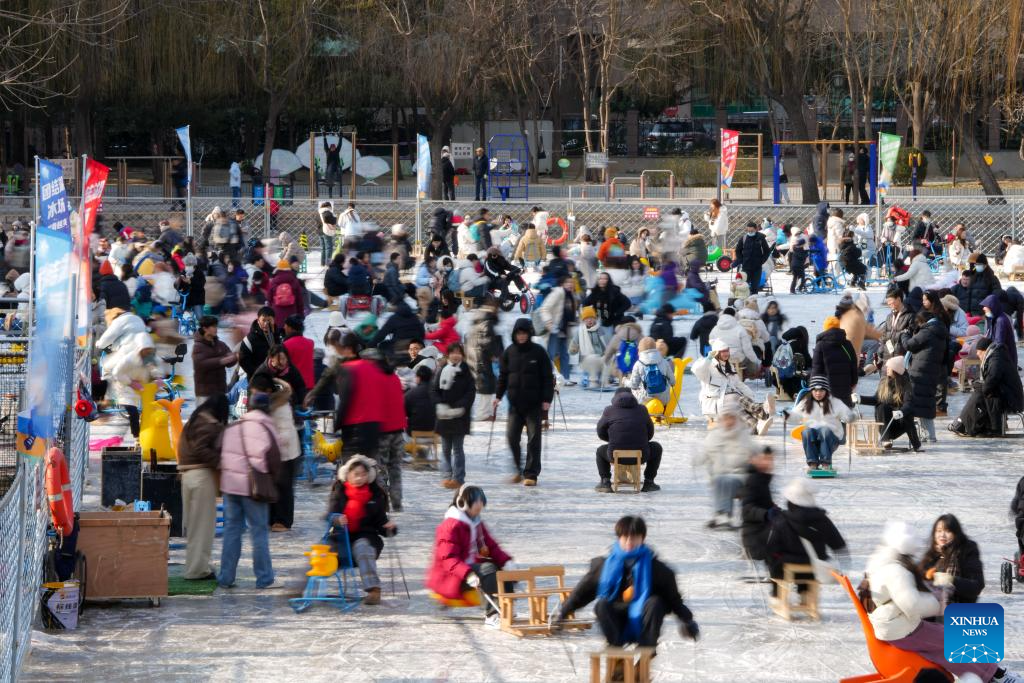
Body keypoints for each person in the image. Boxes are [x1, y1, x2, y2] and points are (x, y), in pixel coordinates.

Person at [865, 522, 1023, 683]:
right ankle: (994, 676)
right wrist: (938, 602)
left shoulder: (884, 562)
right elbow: (912, 605)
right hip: (901, 629)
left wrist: (930, 589)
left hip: (897, 624)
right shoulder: (895, 571)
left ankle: (994, 672)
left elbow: (904, 595)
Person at [555, 516, 700, 661]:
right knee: (602, 604)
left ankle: (646, 652)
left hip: (645, 619)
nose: (630, 541)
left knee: (656, 603)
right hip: (616, 619)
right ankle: (616, 652)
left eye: (634, 537)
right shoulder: (603, 566)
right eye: (625, 537)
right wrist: (563, 612)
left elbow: (673, 600)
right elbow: (582, 592)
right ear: (619, 538)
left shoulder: (657, 569)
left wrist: (687, 621)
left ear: (642, 538)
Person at [217, 391, 284, 589]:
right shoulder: (267, 427)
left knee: (231, 531)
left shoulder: (234, 426)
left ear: (249, 407)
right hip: (253, 488)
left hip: (230, 486)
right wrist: (271, 479)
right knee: (259, 533)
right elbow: (275, 460)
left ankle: (226, 578)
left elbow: (218, 450)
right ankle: (264, 578)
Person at [425, 485, 513, 627]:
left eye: (481, 501)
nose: (480, 505)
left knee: (503, 573)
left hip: (469, 568)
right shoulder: (450, 526)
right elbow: (448, 558)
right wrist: (467, 574)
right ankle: (492, 615)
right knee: (489, 570)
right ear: (462, 503)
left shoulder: (476, 523)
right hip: (453, 575)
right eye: (475, 501)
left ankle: (506, 609)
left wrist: (506, 562)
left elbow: (491, 546)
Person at [327, 455, 396, 605]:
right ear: (348, 475)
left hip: (366, 536)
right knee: (319, 553)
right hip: (339, 537)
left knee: (363, 547)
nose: (359, 478)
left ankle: (373, 590)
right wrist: (336, 519)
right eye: (356, 474)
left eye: (363, 475)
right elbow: (329, 515)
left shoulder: (375, 495)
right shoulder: (340, 491)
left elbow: (380, 522)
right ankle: (303, 587)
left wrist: (389, 527)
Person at [495, 318, 555, 486]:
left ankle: (531, 474)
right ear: (515, 334)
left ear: (529, 334)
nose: (521, 336)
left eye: (524, 333)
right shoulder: (509, 352)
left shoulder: (539, 352)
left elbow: (547, 378)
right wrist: (498, 396)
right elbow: (503, 377)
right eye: (519, 333)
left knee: (533, 439)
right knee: (512, 437)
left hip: (534, 404)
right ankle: (518, 469)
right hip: (514, 404)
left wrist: (546, 399)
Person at [766, 478, 847, 598]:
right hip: (815, 568)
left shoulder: (782, 520)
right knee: (811, 558)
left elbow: (771, 547)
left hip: (787, 568)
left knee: (774, 558)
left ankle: (777, 593)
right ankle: (805, 592)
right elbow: (838, 544)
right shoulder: (822, 519)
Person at [177, 394, 229, 580]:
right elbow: (201, 449)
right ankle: (198, 570)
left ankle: (194, 566)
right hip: (202, 477)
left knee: (193, 526)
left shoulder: (194, 420)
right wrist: (221, 462)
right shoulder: (210, 425)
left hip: (187, 476)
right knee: (203, 528)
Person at [691, 340, 774, 433]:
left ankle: (756, 426)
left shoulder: (729, 366)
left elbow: (739, 384)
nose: (726, 353)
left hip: (731, 400)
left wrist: (751, 397)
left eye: (727, 350)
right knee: (736, 398)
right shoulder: (708, 366)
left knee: (740, 411)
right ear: (717, 353)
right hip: (715, 401)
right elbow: (697, 370)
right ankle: (763, 410)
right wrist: (709, 358)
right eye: (723, 351)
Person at [950, 338, 1024, 437]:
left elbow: (993, 378)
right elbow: (989, 380)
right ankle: (965, 424)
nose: (977, 355)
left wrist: (981, 388)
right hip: (1006, 394)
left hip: (1011, 399)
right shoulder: (995, 356)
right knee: (980, 393)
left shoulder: (997, 358)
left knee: (981, 394)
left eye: (979, 352)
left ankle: (965, 424)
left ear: (985, 350)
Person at [594, 387, 663, 493]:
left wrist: (612, 439)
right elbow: (650, 433)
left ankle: (605, 482)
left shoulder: (609, 410)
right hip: (641, 454)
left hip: (614, 454)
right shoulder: (642, 409)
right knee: (657, 448)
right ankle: (649, 482)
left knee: (600, 451)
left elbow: (600, 431)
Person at [696, 409, 757, 528]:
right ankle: (720, 514)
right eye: (726, 418)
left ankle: (725, 514)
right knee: (720, 480)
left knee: (726, 480)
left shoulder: (743, 436)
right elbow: (705, 453)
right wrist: (698, 458)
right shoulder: (714, 436)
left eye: (732, 418)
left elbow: (752, 454)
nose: (729, 422)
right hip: (720, 476)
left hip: (740, 476)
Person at [783, 375, 854, 473]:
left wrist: (850, 416)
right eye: (815, 390)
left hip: (831, 438)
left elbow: (846, 414)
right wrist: (787, 415)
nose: (818, 393)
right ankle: (813, 463)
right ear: (811, 391)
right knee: (806, 432)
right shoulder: (806, 402)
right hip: (813, 439)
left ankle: (826, 463)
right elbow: (796, 415)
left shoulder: (834, 402)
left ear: (826, 391)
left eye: (821, 391)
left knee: (824, 430)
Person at [432, 343, 476, 488]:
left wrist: (460, 405)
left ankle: (458, 478)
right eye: (453, 352)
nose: (455, 355)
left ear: (462, 355)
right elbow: (434, 390)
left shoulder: (466, 371)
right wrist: (440, 404)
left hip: (459, 416)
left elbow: (471, 392)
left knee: (457, 448)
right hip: (444, 416)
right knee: (445, 448)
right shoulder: (442, 370)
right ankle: (446, 475)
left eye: (458, 352)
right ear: (448, 354)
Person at [857, 356, 922, 451]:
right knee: (881, 406)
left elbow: (909, 404)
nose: (886, 369)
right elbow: (876, 399)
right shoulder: (884, 382)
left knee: (908, 414)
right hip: (885, 425)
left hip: (900, 423)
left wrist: (901, 412)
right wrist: (860, 399)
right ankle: (885, 439)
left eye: (889, 367)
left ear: (896, 369)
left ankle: (917, 445)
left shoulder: (907, 385)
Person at [918, 514, 984, 605]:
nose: (942, 535)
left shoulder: (966, 551)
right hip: (933, 609)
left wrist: (952, 580)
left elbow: (977, 586)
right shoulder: (931, 555)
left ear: (956, 533)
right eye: (938, 531)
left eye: (947, 531)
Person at [465, 298, 503, 420]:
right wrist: (496, 353)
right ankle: (483, 414)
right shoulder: (487, 321)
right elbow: (487, 340)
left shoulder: (479, 318)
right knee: (485, 385)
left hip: (473, 356)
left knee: (482, 385)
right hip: (480, 358)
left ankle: (482, 412)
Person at [740, 447, 778, 563]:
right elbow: (746, 510)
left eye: (771, 459)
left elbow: (762, 502)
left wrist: (773, 508)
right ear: (754, 460)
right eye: (765, 459)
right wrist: (766, 514)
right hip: (755, 538)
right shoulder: (753, 480)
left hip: (763, 533)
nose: (769, 462)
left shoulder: (762, 479)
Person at [538, 275, 578, 384]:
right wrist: (549, 322)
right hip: (554, 328)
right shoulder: (558, 293)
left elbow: (570, 313)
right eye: (567, 282)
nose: (570, 284)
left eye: (571, 282)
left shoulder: (571, 295)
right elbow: (544, 308)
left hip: (563, 329)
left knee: (564, 354)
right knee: (551, 354)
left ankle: (565, 378)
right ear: (562, 284)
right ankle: (548, 377)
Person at [810, 316, 858, 407]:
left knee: (827, 415)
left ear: (825, 328)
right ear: (838, 327)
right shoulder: (847, 344)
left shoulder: (820, 345)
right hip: (845, 388)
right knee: (843, 414)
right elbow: (853, 365)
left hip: (826, 389)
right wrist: (853, 382)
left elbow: (816, 368)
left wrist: (813, 387)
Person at [192, 316, 237, 408]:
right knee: (204, 418)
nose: (216, 329)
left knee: (221, 418)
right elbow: (201, 364)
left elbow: (230, 361)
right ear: (205, 328)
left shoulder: (221, 344)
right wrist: (222, 360)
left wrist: (234, 358)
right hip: (205, 392)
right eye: (213, 326)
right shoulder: (198, 346)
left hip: (221, 391)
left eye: (216, 326)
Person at [370, 301, 426, 367]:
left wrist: (370, 344)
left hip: (399, 347)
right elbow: (422, 333)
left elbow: (381, 334)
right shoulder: (415, 318)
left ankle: (387, 366)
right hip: (415, 345)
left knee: (383, 345)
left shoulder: (394, 318)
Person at [707, 308, 758, 376]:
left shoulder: (715, 329)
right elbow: (747, 349)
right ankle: (745, 376)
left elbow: (711, 342)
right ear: (734, 316)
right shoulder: (740, 328)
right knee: (750, 361)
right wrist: (755, 360)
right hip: (738, 358)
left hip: (720, 358)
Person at [584, 272, 631, 340]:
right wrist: (592, 315)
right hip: (600, 321)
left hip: (613, 322)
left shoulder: (614, 291)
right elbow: (585, 303)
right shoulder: (595, 292)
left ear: (608, 280)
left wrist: (616, 313)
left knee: (611, 342)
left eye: (605, 279)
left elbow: (627, 303)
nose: (602, 281)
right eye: (600, 279)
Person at [239, 307, 281, 379]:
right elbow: (244, 362)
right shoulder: (249, 340)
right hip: (258, 379)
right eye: (263, 320)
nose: (266, 323)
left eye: (269, 320)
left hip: (278, 377)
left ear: (274, 320)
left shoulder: (279, 336)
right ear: (258, 320)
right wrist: (259, 373)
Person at [733, 221, 771, 295]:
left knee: (755, 287)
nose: (750, 232)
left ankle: (753, 302)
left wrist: (762, 260)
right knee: (744, 287)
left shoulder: (761, 238)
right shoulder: (743, 238)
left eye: (752, 231)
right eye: (748, 231)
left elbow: (767, 251)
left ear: (756, 229)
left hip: (757, 267)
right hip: (746, 266)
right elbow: (738, 250)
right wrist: (741, 260)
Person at [982, 293, 1018, 366]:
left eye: (986, 306)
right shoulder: (994, 318)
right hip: (1002, 357)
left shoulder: (1000, 321)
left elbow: (999, 343)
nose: (983, 308)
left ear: (992, 307)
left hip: (1005, 359)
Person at [268, 259, 305, 329]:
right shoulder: (294, 280)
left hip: (277, 316)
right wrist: (301, 315)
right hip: (292, 315)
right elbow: (300, 301)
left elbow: (269, 299)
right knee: (291, 336)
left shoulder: (273, 281)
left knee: (278, 336)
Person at [404, 365, 436, 434]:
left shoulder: (411, 393)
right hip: (434, 430)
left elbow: (404, 411)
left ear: (418, 378)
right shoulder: (436, 392)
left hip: (414, 431)